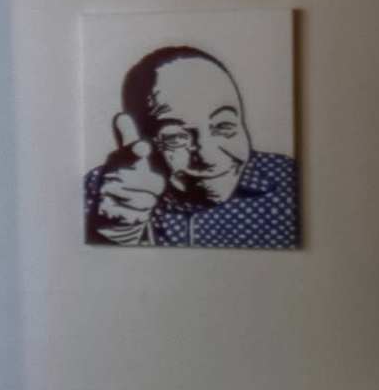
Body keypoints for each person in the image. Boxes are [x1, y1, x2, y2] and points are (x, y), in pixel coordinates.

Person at [85, 44, 299, 250]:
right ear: (140, 137)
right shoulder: (98, 195)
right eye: (176, 136)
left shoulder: (290, 183)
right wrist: (114, 237)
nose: (208, 156)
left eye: (224, 126)